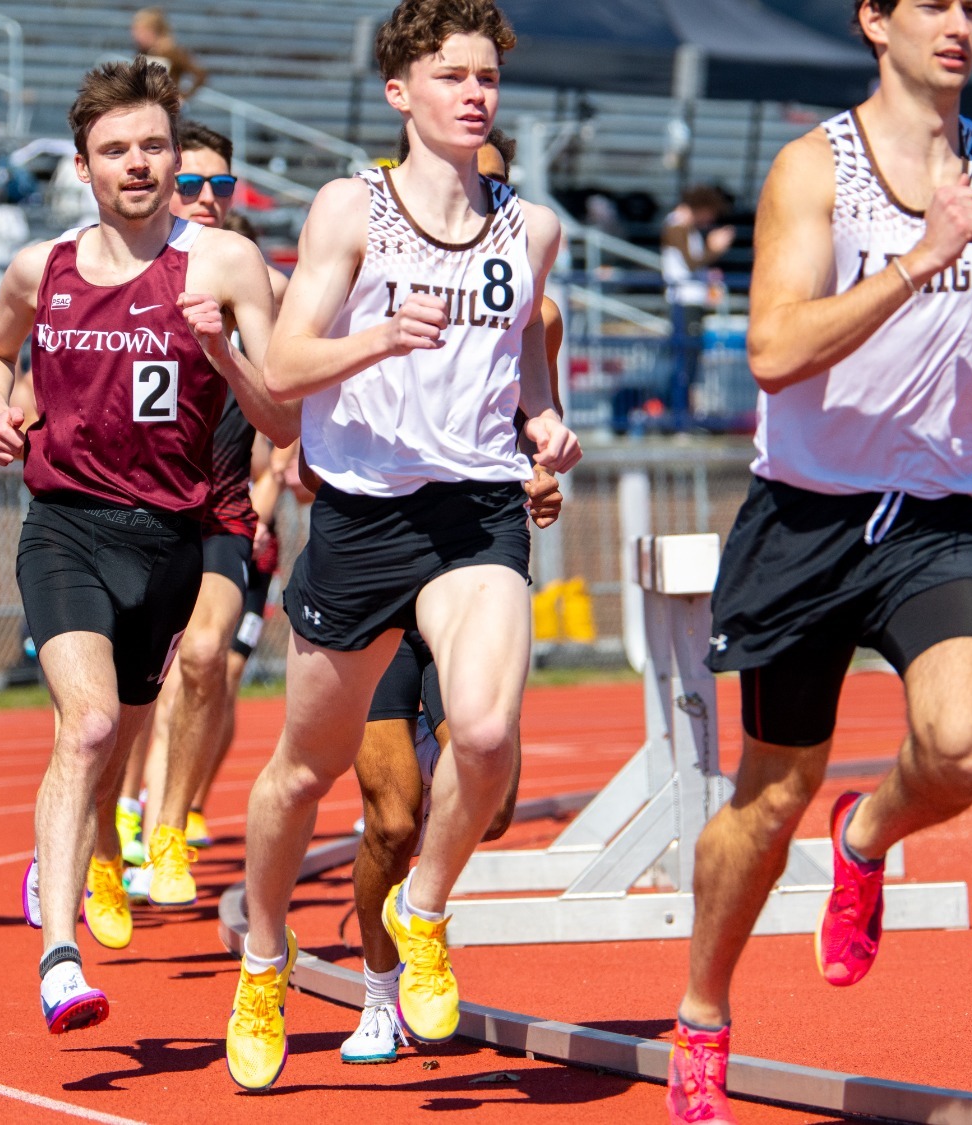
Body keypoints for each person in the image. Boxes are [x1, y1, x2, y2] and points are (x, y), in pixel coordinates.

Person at [666, 0, 972, 1117]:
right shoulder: (813, 169)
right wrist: (918, 258)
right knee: (768, 793)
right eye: (930, 4)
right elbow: (770, 350)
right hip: (807, 517)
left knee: (963, 747)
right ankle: (701, 1009)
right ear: (872, 21)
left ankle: (868, 834)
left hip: (943, 510)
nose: (956, 25)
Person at [225, 0, 576, 1090]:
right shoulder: (350, 210)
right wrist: (378, 333)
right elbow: (279, 374)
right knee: (300, 774)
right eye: (450, 76)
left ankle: (421, 909)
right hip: (361, 516)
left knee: (481, 732)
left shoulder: (534, 228)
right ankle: (263, 955)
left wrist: (542, 420)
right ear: (399, 93)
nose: (473, 94)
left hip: (474, 510)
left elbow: (523, 364)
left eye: (485, 76)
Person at [0, 58, 293, 1036]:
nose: (139, 164)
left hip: (168, 541)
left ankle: (118, 845)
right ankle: (58, 955)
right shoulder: (41, 268)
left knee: (133, 727)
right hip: (63, 525)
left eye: (153, 145)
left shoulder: (228, 267)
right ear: (82, 167)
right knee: (91, 727)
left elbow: (280, 412)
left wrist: (224, 349)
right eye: (117, 150)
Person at [339, 130, 566, 1065]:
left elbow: (538, 419)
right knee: (391, 816)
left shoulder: (533, 314)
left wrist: (544, 469)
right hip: (383, 557)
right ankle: (380, 986)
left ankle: (421, 907)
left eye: (497, 200)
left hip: (476, 558)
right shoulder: (380, 269)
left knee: (496, 798)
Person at [115, 120, 295, 906]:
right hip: (127, 513)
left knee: (206, 660)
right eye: (192, 185)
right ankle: (105, 821)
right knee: (127, 691)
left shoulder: (260, 282)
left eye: (222, 186)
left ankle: (168, 822)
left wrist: (302, 457)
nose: (209, 199)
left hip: (223, 510)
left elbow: (302, 378)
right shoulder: (116, 271)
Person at [662, 184, 734, 419]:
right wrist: (714, 248)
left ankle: (683, 417)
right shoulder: (677, 225)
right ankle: (679, 418)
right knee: (685, 363)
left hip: (690, 302)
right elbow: (692, 263)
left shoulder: (685, 227)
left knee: (690, 363)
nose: (709, 220)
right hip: (684, 303)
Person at [131, 9, 207, 101]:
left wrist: (183, 96)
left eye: (141, 32)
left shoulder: (172, 52)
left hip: (167, 106)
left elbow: (200, 73)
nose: (136, 36)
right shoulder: (141, 52)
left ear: (153, 32)